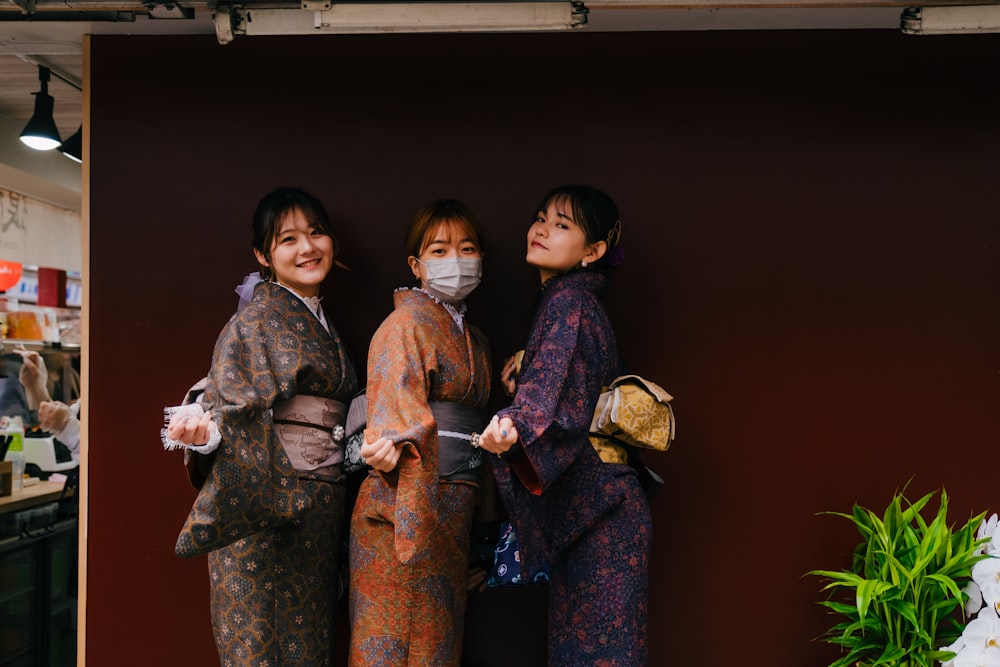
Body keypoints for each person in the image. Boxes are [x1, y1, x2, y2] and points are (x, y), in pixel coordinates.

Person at [163, 186, 358, 666]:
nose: (308, 248)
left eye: (316, 233)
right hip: (269, 514)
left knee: (309, 647)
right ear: (263, 255)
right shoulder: (254, 323)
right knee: (262, 650)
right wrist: (207, 435)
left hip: (316, 514)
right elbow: (233, 412)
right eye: (288, 239)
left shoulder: (321, 323)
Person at [477, 185, 651, 666]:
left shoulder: (569, 304)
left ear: (593, 252)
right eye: (541, 217)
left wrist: (514, 427)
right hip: (599, 511)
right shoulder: (565, 301)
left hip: (602, 516)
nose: (542, 229)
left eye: (562, 224)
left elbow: (547, 403)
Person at [349, 199, 492, 666]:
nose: (456, 259)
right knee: (397, 649)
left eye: (467, 248)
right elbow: (399, 427)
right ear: (416, 264)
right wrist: (416, 533)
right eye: (440, 249)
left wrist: (478, 537)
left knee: (435, 650)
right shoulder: (404, 325)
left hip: (452, 512)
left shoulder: (477, 340)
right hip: (404, 515)